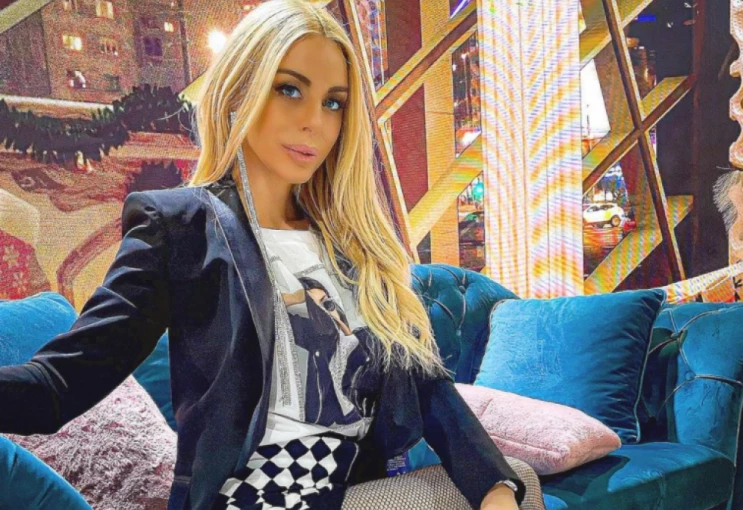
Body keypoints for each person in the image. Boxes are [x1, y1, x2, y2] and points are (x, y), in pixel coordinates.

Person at [0, 1, 538, 509]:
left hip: (350, 490)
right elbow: (61, 384)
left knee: (515, 481)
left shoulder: (351, 245)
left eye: (333, 102)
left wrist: (496, 488)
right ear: (240, 91)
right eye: (290, 90)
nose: (315, 122)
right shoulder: (181, 226)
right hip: (256, 494)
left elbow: (427, 386)